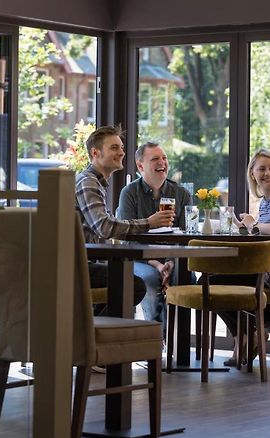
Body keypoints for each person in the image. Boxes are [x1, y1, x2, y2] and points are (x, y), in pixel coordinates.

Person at [75, 126, 176, 307]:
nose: (121, 152)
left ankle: (92, 333)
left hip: (83, 261)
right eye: (114, 148)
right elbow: (105, 227)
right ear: (95, 153)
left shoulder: (95, 182)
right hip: (75, 265)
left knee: (122, 284)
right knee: (134, 285)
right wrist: (149, 223)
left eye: (121, 147)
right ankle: (93, 334)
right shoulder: (88, 182)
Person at [116, 141, 192, 334]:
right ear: (140, 166)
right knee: (150, 279)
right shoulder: (129, 193)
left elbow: (186, 236)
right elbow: (127, 238)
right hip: (141, 259)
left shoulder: (181, 193)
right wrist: (157, 264)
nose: (162, 163)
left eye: (164, 158)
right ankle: (157, 338)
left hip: (174, 258)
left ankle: (178, 340)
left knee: (183, 275)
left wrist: (171, 262)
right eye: (155, 159)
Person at [218, 148, 270, 366]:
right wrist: (241, 225)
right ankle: (244, 335)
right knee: (211, 282)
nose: (268, 173)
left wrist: (252, 225)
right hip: (264, 269)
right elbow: (260, 234)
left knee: (214, 282)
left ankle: (248, 335)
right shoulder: (265, 202)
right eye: (261, 169)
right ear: (253, 174)